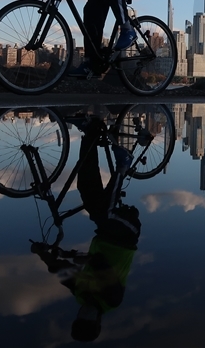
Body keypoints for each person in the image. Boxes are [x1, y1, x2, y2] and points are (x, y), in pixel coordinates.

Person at [33, 113, 141, 342]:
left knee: (86, 188)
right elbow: (100, 264)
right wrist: (75, 257)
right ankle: (123, 165)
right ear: (98, 320)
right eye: (89, 319)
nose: (85, 313)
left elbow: (60, 271)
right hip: (126, 233)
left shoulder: (81, 294)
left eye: (80, 317)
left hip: (104, 231)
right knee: (104, 214)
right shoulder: (112, 300)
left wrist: (45, 254)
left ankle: (91, 132)